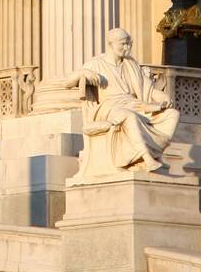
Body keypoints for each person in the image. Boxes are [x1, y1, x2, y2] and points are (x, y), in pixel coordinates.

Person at [76, 28, 179, 172]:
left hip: (136, 104)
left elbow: (147, 88)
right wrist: (83, 73)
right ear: (111, 44)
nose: (127, 48)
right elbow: (68, 82)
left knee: (172, 114)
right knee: (128, 116)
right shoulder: (95, 64)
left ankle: (155, 154)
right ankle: (146, 158)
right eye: (123, 44)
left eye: (128, 44)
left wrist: (162, 97)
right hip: (109, 108)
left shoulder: (131, 64)